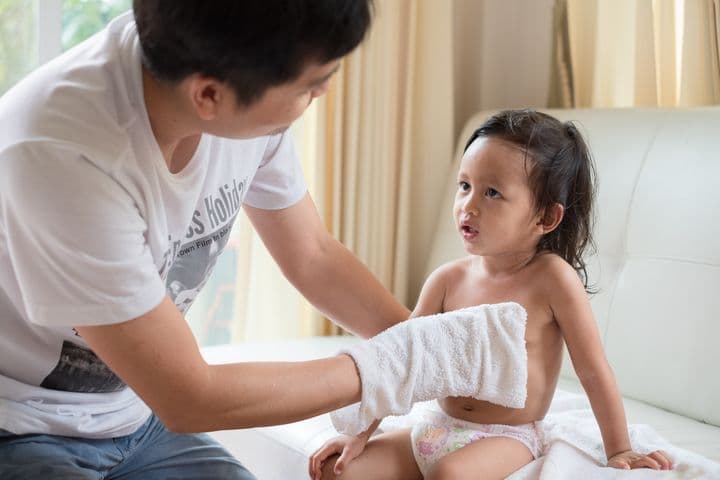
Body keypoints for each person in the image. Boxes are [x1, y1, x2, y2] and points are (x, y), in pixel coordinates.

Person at [0, 1, 420, 478]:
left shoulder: (239, 92)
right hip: (17, 424)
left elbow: (313, 256)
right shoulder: (61, 156)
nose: (324, 90)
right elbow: (188, 396)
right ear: (208, 95)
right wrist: (386, 367)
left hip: (136, 414)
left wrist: (426, 343)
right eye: (309, 84)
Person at [309, 109, 675, 480]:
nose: (468, 205)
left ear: (545, 218)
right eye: (465, 185)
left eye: (493, 193)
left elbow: (593, 370)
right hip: (436, 426)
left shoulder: (553, 280)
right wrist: (359, 434)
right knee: (335, 470)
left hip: (507, 437)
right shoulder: (447, 279)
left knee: (449, 474)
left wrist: (619, 448)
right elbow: (399, 362)